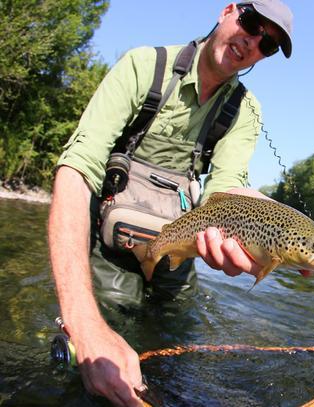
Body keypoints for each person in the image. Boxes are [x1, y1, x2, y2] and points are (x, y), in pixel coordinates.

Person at [47, 1, 293, 406]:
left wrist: (263, 223)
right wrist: (84, 321)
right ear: (228, 10)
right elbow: (77, 168)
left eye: (267, 45)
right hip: (108, 250)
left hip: (179, 253)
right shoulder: (143, 65)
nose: (253, 42)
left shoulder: (246, 111)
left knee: (174, 360)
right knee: (95, 361)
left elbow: (225, 192)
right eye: (251, 23)